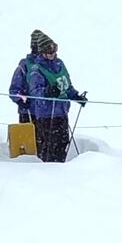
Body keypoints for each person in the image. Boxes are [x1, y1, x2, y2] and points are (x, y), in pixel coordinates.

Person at [27, 34, 87, 162]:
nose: (52, 54)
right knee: (49, 147)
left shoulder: (59, 64)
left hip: (62, 112)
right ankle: (46, 168)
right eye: (49, 51)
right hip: (47, 115)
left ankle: (61, 168)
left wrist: (76, 96)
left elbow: (66, 85)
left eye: (54, 50)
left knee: (62, 145)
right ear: (42, 51)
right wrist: (47, 92)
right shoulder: (36, 69)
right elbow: (34, 91)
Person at [9, 29, 44, 123]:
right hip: (28, 112)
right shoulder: (25, 65)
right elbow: (14, 90)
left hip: (47, 113)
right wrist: (20, 100)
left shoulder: (49, 65)